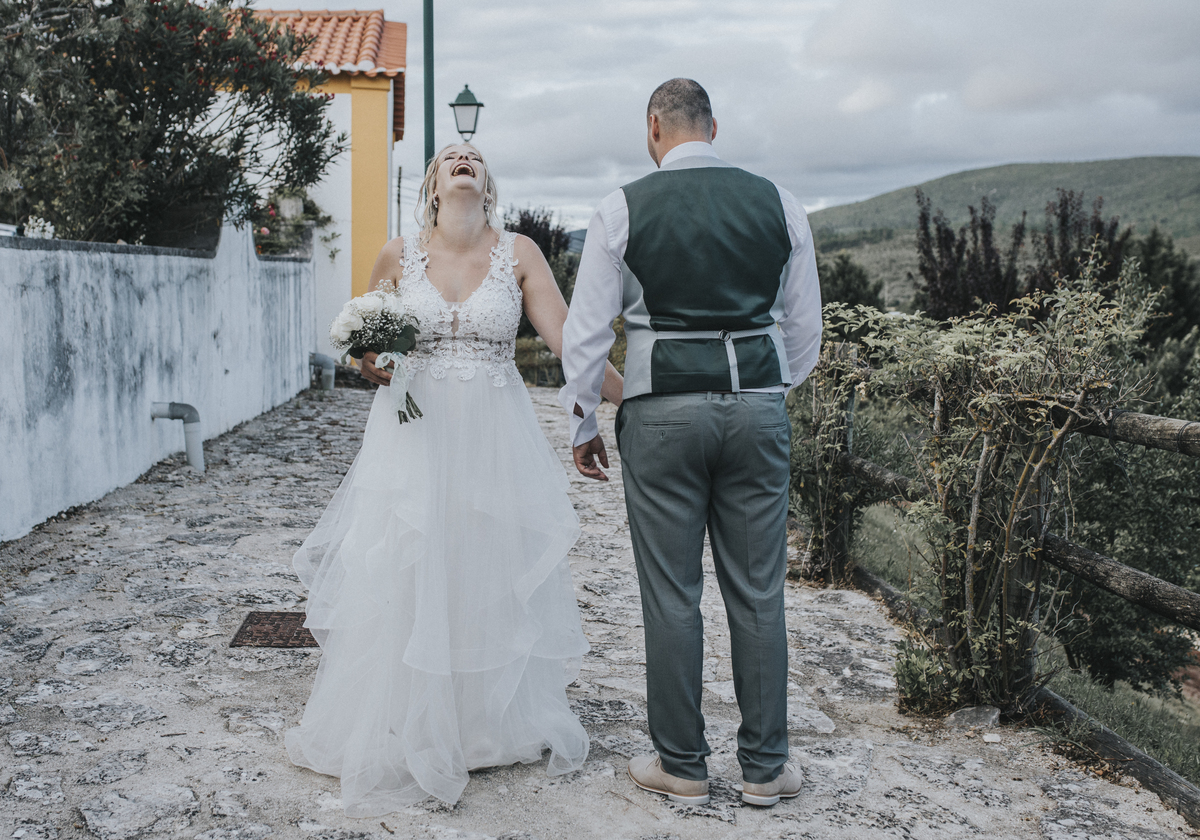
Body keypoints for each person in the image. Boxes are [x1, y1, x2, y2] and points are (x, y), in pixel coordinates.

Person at [286, 142, 624, 815]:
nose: (464, 158)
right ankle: (402, 717)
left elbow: (569, 342)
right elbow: (366, 344)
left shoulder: (520, 253)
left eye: (474, 155)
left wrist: (636, 395)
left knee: (483, 559)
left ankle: (481, 722)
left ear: (487, 184)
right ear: (434, 184)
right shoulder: (398, 253)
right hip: (413, 433)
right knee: (410, 561)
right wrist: (370, 361)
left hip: (494, 435)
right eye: (451, 155)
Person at [559, 79, 822, 807]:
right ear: (713, 127)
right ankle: (765, 770)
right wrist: (767, 392)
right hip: (757, 409)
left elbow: (586, 335)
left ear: (654, 128)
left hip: (662, 413)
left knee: (672, 592)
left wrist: (583, 424)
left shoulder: (621, 209)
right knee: (759, 591)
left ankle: (681, 764)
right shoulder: (780, 203)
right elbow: (804, 329)